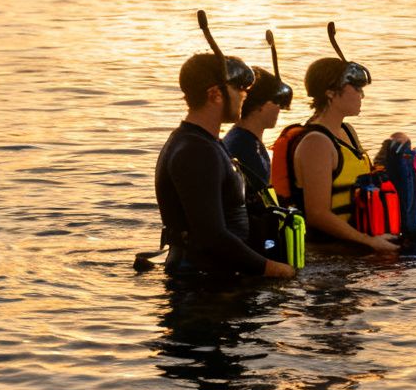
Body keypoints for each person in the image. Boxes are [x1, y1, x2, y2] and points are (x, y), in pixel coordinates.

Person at [153, 52, 295, 280]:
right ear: (215, 94)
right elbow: (212, 235)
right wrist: (271, 268)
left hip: (218, 276)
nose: (244, 96)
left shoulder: (205, 142)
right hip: (201, 287)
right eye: (240, 89)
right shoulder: (196, 151)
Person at [284, 55, 402, 253]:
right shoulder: (316, 143)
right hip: (330, 255)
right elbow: (317, 214)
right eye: (356, 89)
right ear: (330, 93)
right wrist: (369, 241)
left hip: (359, 246)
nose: (361, 95)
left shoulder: (347, 132)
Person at [222, 67, 291, 198]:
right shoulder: (243, 148)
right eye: (276, 101)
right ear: (259, 105)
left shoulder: (249, 140)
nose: (279, 108)